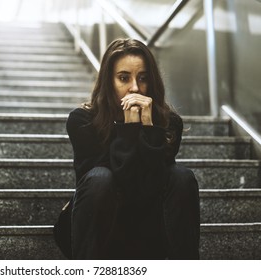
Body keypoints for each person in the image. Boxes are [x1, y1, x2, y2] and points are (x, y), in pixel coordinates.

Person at [53, 38, 200, 260]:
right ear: (108, 81)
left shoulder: (169, 124)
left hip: (148, 230)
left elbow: (150, 185)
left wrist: (150, 129)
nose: (135, 88)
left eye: (143, 78)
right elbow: (107, 184)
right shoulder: (82, 121)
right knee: (101, 177)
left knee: (182, 177)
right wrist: (129, 128)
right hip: (103, 230)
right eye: (123, 78)